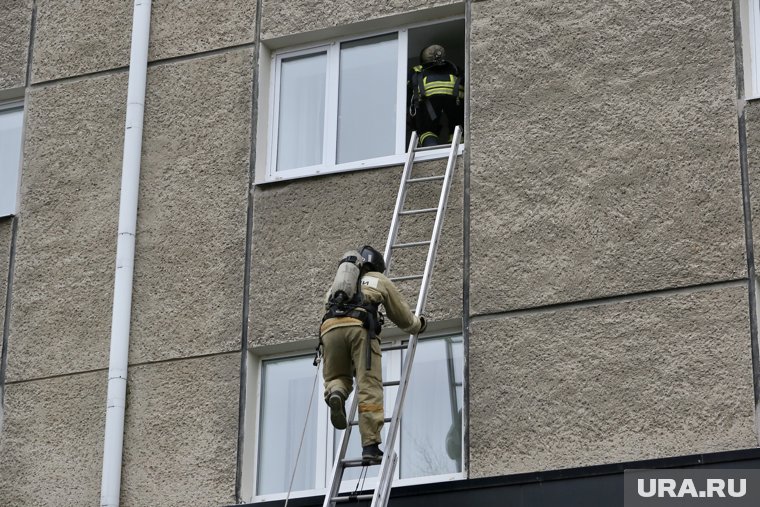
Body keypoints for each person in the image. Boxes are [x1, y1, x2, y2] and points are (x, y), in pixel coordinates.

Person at [320, 245, 427, 461]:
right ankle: (370, 446)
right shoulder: (378, 279)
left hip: (329, 330)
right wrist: (418, 325)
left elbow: (326, 307)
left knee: (337, 377)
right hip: (359, 331)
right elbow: (402, 316)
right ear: (376, 265)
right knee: (369, 385)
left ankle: (336, 394)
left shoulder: (336, 286)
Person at [408, 44, 464, 147]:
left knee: (427, 129)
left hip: (427, 101)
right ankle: (458, 145)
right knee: (457, 125)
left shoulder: (416, 70)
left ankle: (431, 149)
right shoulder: (454, 67)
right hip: (454, 100)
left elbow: (409, 91)